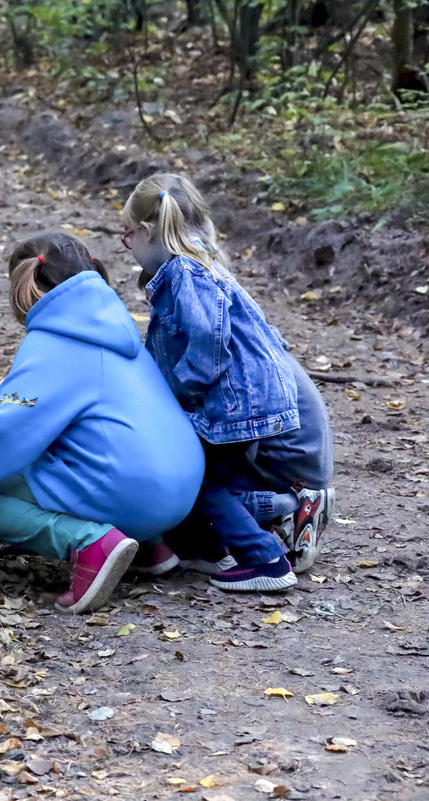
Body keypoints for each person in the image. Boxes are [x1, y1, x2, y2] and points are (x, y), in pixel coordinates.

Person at [0, 233, 205, 613]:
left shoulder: (54, 344)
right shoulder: (115, 327)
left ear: (24, 287)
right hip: (181, 490)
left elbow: (5, 433)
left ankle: (90, 543)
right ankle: (149, 547)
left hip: (136, 492)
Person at [121, 173, 335, 592]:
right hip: (246, 399)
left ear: (148, 231)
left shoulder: (185, 273)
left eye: (128, 236)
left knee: (198, 480)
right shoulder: (206, 266)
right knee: (215, 479)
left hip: (235, 404)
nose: (127, 246)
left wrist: (180, 393)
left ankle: (265, 559)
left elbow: (207, 343)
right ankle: (208, 546)